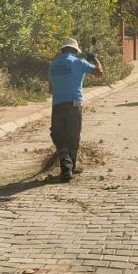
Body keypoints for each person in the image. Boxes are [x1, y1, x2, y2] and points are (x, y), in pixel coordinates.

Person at [47, 38, 103, 182]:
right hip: (75, 102)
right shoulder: (79, 63)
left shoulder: (53, 65)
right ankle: (70, 164)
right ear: (74, 50)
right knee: (73, 134)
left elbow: (50, 89)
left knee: (57, 134)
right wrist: (95, 59)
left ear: (63, 49)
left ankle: (66, 164)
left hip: (57, 103)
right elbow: (99, 72)